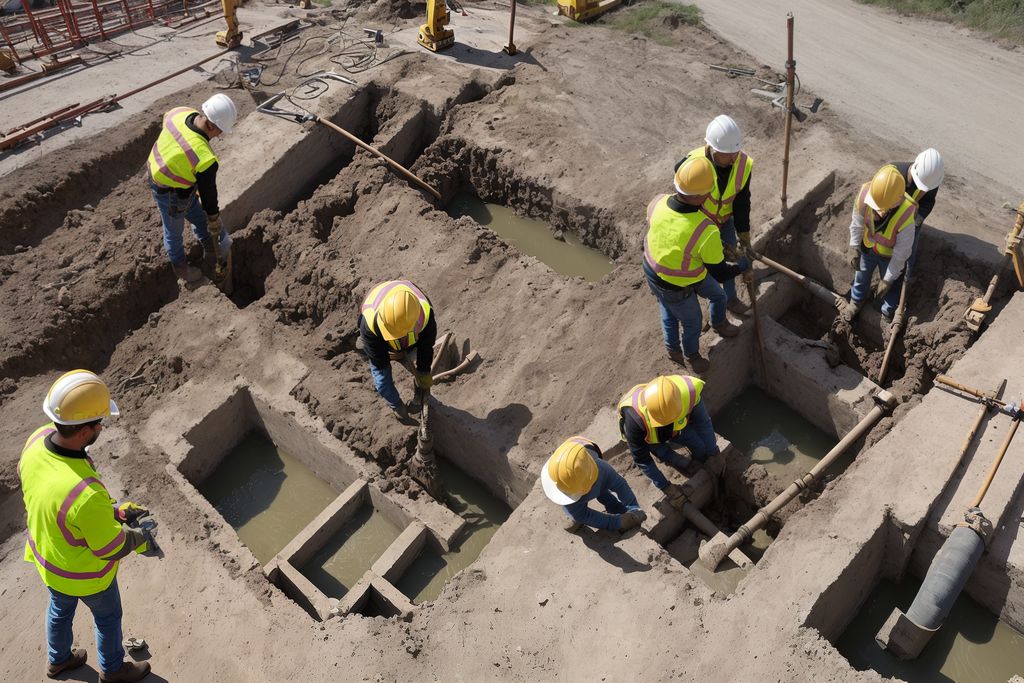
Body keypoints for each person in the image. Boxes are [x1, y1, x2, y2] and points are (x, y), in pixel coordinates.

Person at [19, 370, 155, 682]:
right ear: (84, 431)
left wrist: (115, 511)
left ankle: (59, 661)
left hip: (50, 563)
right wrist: (139, 537)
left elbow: (60, 506)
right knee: (107, 618)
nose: (101, 427)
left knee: (59, 612)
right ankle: (113, 671)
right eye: (99, 423)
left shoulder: (36, 441)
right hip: (88, 576)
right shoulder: (86, 494)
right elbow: (108, 548)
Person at [644, 156, 750, 372]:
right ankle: (686, 353)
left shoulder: (658, 201)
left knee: (718, 296)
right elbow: (720, 274)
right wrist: (741, 265)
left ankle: (719, 322)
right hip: (673, 284)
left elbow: (672, 234)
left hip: (654, 267)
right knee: (690, 321)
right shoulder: (706, 229)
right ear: (703, 195)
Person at [148, 93, 237, 284]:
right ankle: (181, 269)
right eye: (220, 131)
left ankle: (210, 250)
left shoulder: (180, 112)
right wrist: (214, 218)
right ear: (211, 125)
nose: (219, 135)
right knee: (173, 233)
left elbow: (171, 130)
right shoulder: (204, 157)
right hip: (169, 193)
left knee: (197, 215)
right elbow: (208, 193)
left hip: (161, 172)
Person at [675, 114, 755, 317]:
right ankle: (703, 309)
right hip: (699, 225)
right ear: (712, 148)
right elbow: (682, 188)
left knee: (726, 264)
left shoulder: (743, 164)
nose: (733, 158)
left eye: (735, 151)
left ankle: (730, 300)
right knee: (699, 269)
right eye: (727, 154)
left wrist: (743, 235)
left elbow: (741, 201)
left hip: (724, 222)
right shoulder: (695, 163)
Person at [617, 375, 718, 508]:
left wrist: (714, 453)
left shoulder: (689, 392)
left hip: (679, 427)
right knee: (664, 452)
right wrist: (666, 487)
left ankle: (701, 462)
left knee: (698, 446)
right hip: (650, 436)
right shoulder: (634, 421)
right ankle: (677, 460)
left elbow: (703, 423)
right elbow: (643, 460)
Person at [844, 164, 919, 320]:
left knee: (891, 287)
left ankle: (886, 312)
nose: (877, 212)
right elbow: (857, 223)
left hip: (890, 256)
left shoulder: (906, 215)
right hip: (868, 247)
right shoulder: (865, 194)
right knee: (861, 276)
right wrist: (853, 246)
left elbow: (901, 254)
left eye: (881, 209)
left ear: (896, 202)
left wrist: (888, 279)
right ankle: (856, 301)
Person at [358, 279, 437, 420]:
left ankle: (419, 394)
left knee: (423, 369)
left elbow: (426, 348)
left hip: (410, 336)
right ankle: (396, 406)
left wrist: (423, 374)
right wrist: (396, 403)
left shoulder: (425, 314)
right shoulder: (369, 324)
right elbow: (380, 363)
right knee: (382, 383)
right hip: (380, 339)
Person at [881, 148, 944, 314]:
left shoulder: (931, 182)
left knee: (907, 259)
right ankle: (872, 285)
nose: (922, 188)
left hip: (911, 221)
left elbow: (927, 203)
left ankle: (891, 305)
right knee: (880, 252)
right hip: (887, 216)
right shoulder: (894, 173)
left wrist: (915, 223)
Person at [541, 436, 646, 533]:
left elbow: (619, 485)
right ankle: (575, 518)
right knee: (575, 512)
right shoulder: (561, 478)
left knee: (601, 488)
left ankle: (616, 508)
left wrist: (634, 508)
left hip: (585, 456)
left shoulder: (601, 469)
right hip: (573, 462)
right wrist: (615, 522)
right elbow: (584, 515)